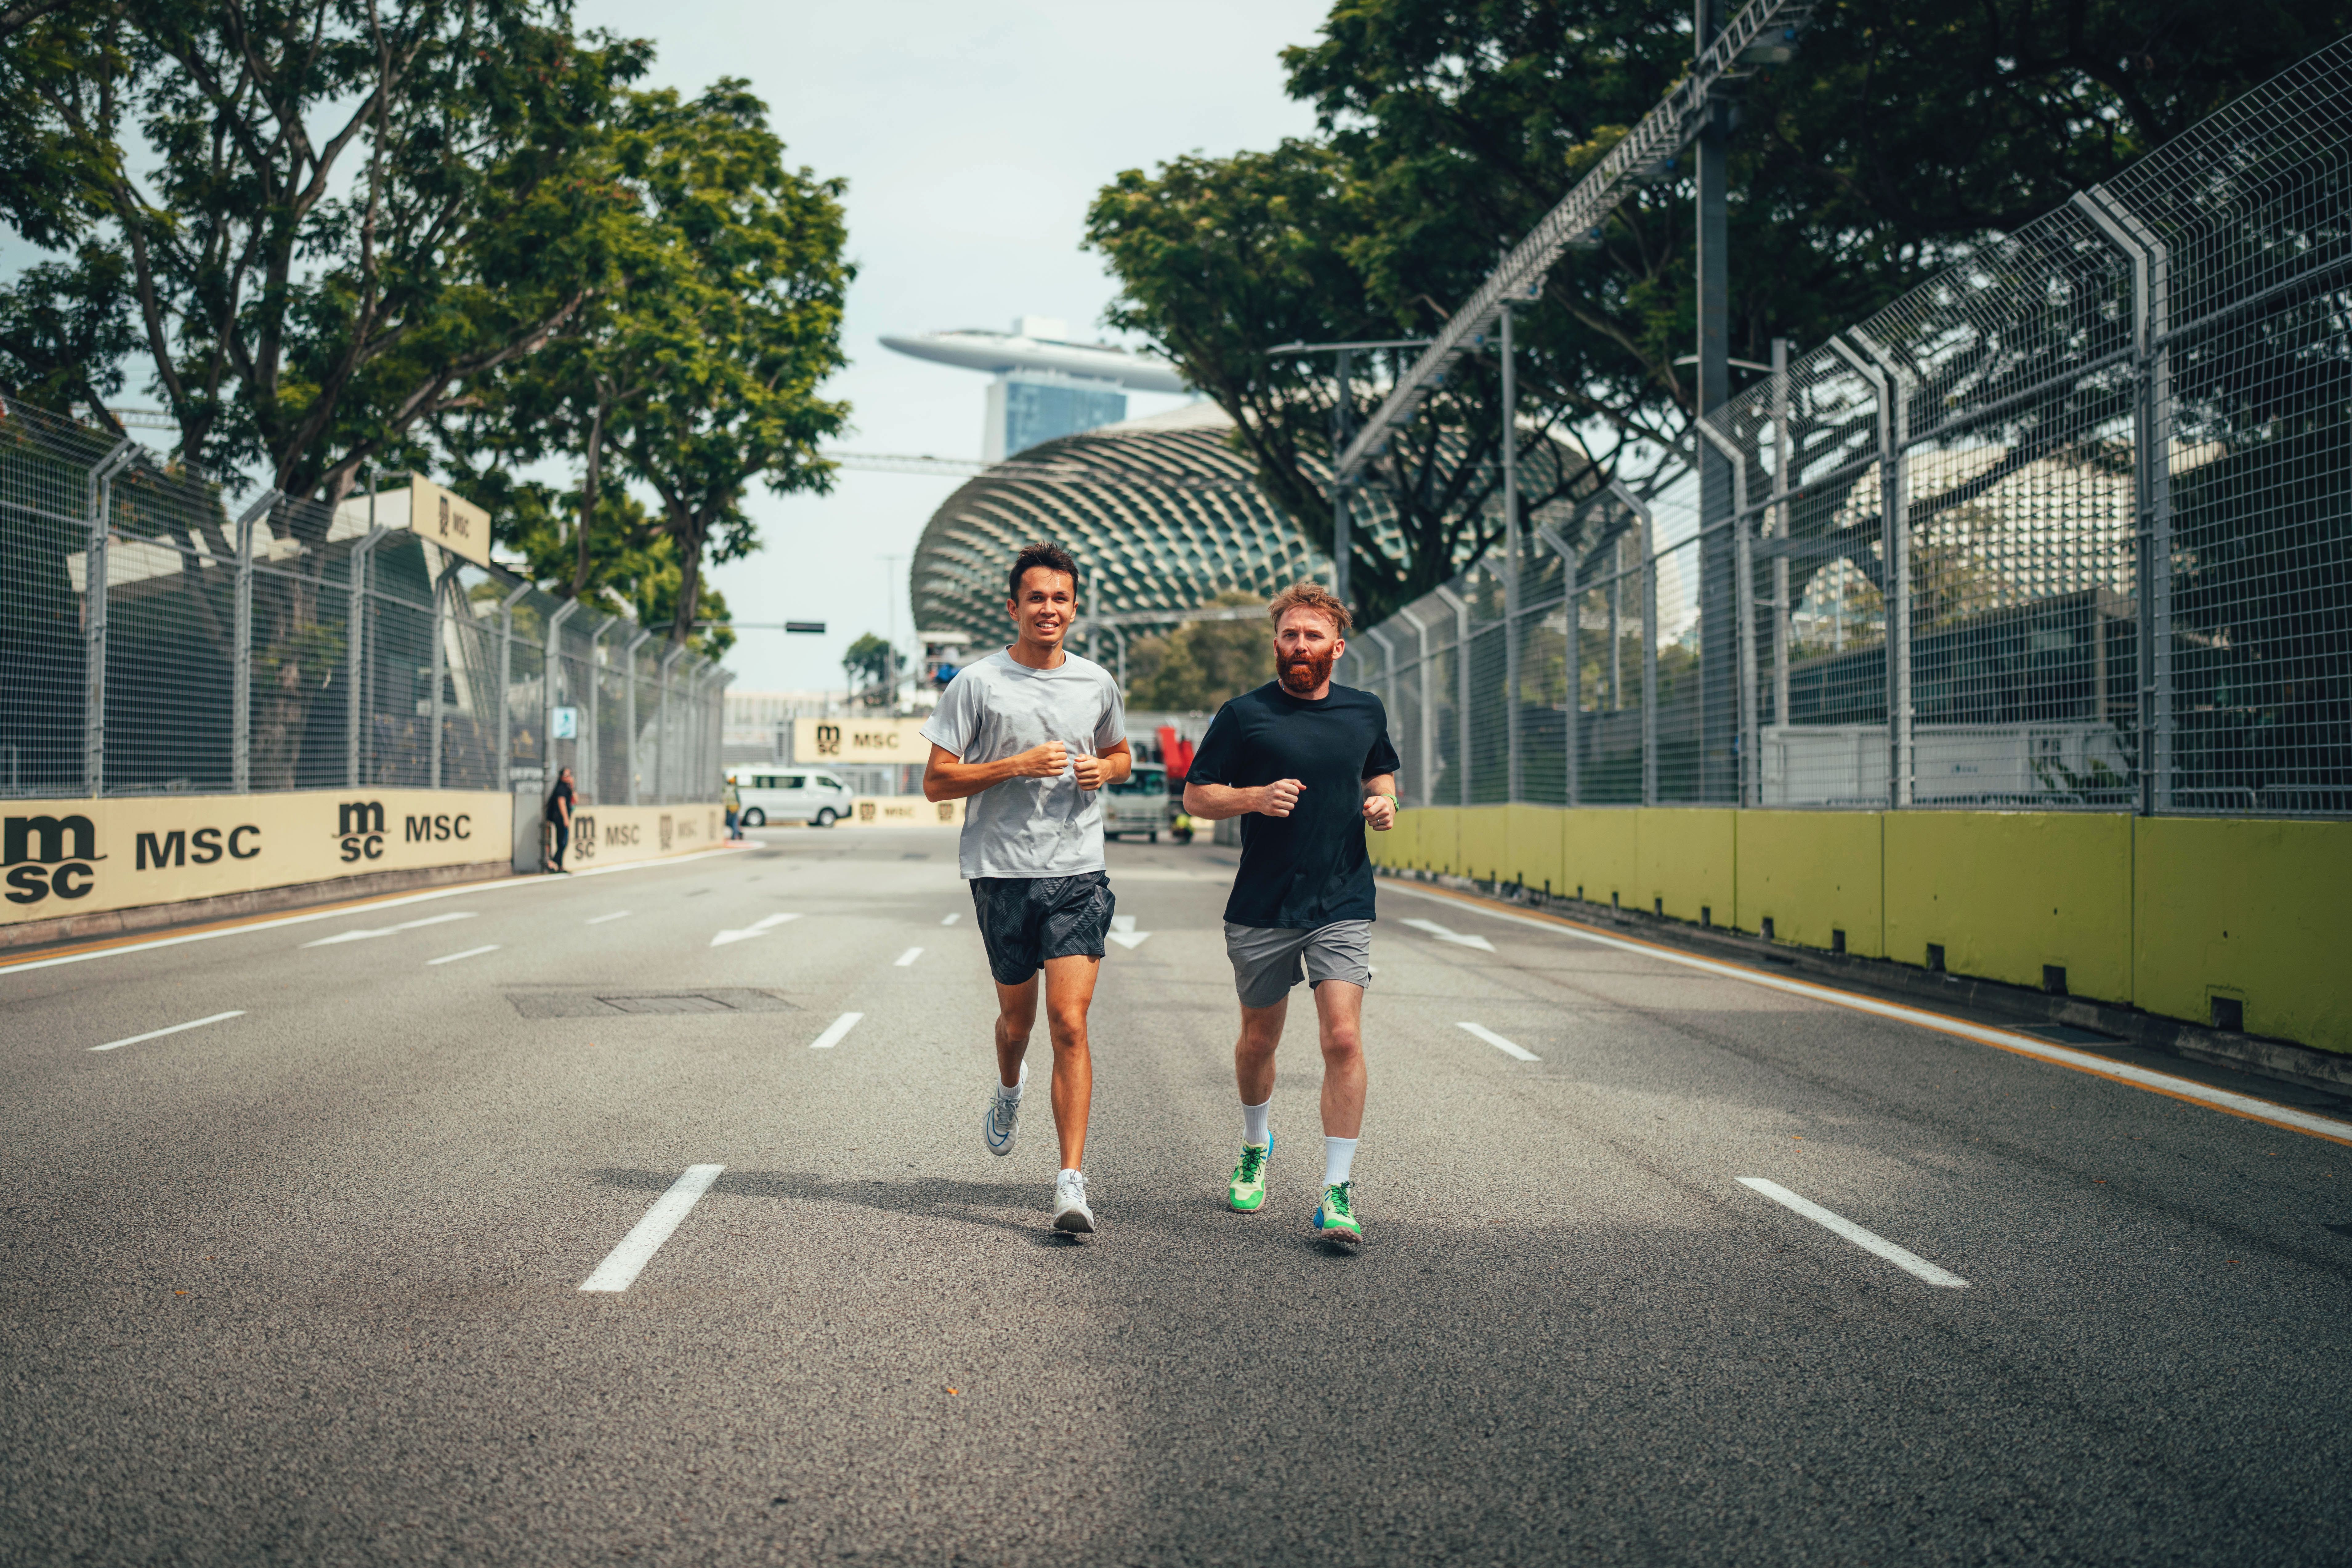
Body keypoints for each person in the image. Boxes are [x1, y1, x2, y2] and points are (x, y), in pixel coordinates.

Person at [921, 541, 1131, 1234]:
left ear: (1075, 608)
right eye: (1036, 597)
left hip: (1077, 869)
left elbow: (1121, 753)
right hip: (1001, 870)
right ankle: (1009, 1086)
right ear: (1013, 607)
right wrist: (1013, 765)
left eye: (1060, 598)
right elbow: (936, 781)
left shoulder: (1096, 682)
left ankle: (1070, 1181)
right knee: (1019, 1023)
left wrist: (1105, 769)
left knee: (1070, 1021)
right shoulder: (977, 683)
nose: (1049, 608)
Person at [1181, 582, 1399, 1249]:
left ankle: (1336, 1190)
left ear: (1337, 646)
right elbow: (1196, 796)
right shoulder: (1243, 715)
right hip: (1263, 903)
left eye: (1312, 635)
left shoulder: (1364, 710)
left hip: (1341, 899)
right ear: (1276, 643)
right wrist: (1252, 796)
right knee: (1258, 1042)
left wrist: (1384, 802)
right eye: (1289, 635)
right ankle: (1256, 1145)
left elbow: (1380, 772)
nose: (1299, 645)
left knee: (1343, 1039)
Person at [545, 766, 576, 873]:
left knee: (562, 842)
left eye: (570, 775)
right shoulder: (561, 788)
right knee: (563, 842)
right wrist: (566, 819)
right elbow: (561, 804)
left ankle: (560, 866)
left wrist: (572, 787)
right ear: (561, 777)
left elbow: (576, 800)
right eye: (566, 775)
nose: (569, 777)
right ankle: (553, 862)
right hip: (560, 819)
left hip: (562, 819)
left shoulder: (568, 789)